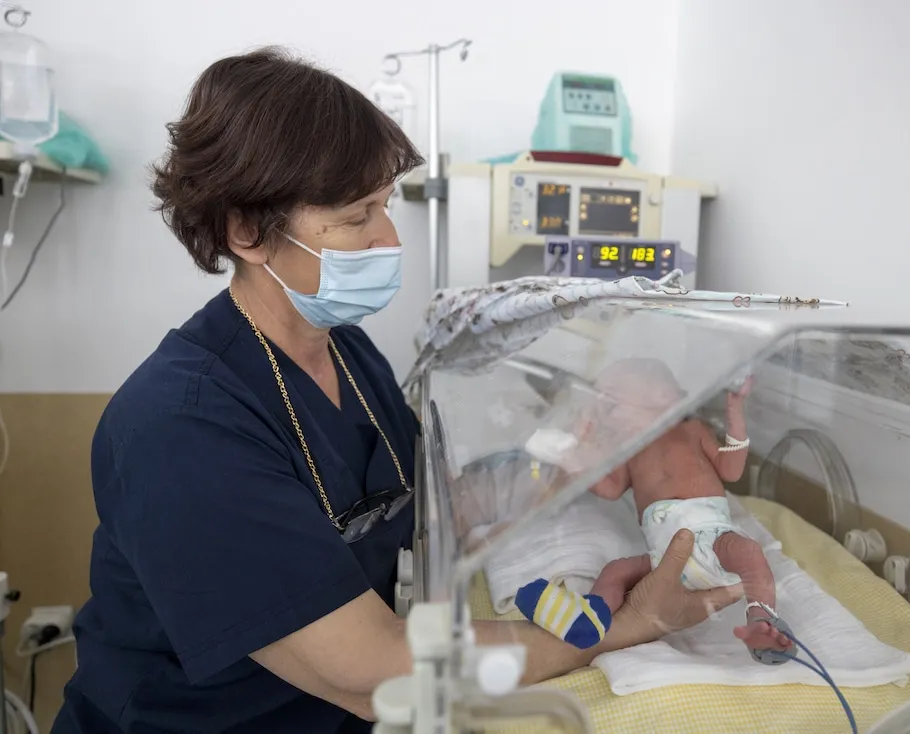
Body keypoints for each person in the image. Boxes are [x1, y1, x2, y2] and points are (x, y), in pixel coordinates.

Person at [53, 49, 741, 734]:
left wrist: (560, 465)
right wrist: (628, 626)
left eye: (384, 207)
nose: (388, 238)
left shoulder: (347, 353)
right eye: (358, 218)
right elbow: (375, 670)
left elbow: (421, 507)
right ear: (247, 230)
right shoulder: (183, 429)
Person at [529, 358, 792, 657]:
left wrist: (735, 415)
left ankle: (761, 618)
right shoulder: (630, 449)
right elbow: (610, 488)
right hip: (662, 557)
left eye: (611, 405)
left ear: (665, 398)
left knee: (748, 552)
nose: (602, 414)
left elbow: (730, 470)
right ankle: (593, 620)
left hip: (711, 538)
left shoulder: (693, 431)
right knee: (616, 571)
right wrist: (577, 448)